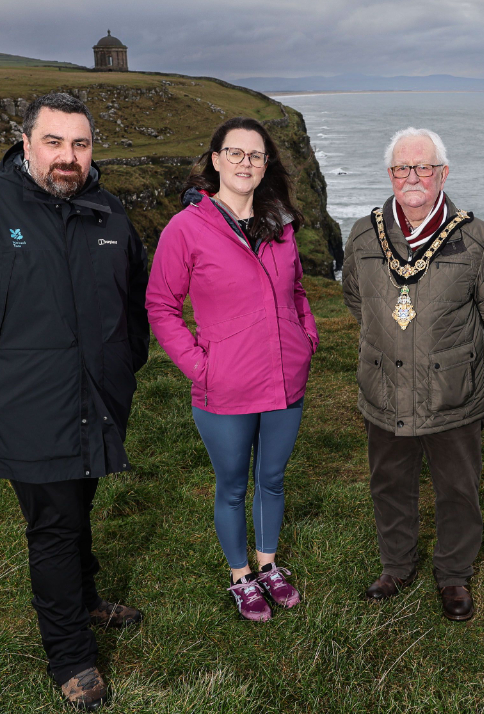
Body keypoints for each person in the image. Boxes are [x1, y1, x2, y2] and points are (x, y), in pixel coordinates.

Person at [0, 92, 149, 710]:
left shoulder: (107, 211)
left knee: (79, 504)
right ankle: (71, 657)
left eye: (80, 144)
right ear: (26, 144)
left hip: (98, 397)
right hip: (27, 404)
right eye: (54, 143)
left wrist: (127, 360)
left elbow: (133, 293)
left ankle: (86, 600)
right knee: (52, 526)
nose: (68, 158)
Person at [147, 117, 318, 622]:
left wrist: (306, 339)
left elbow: (299, 292)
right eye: (236, 153)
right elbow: (161, 305)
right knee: (233, 486)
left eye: (256, 155)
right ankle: (241, 575)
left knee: (272, 478)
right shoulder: (187, 228)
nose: (247, 163)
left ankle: (269, 566)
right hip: (223, 385)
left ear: (266, 166)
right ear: (216, 160)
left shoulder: (281, 225)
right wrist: (201, 368)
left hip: (286, 379)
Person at [342, 127, 484, 622]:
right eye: (401, 168)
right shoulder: (362, 233)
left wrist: (449, 353)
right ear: (390, 174)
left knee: (458, 487)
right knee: (388, 483)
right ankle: (396, 564)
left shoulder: (477, 238)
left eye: (423, 167)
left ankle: (454, 574)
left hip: (452, 394)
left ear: (443, 173)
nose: (411, 177)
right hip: (383, 389)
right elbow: (358, 299)